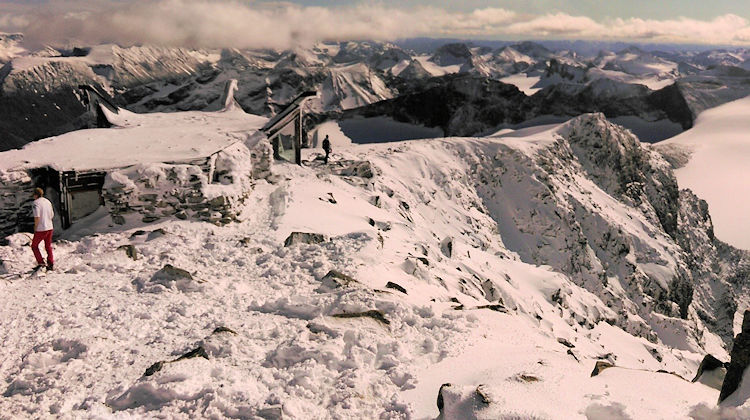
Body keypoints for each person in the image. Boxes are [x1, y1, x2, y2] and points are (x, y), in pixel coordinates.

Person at [30, 187, 54, 271]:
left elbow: (37, 217)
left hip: (41, 228)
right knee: (48, 246)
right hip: (50, 227)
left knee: (34, 246)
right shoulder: (48, 202)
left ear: (36, 195)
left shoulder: (35, 203)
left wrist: (35, 227)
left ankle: (41, 263)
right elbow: (52, 215)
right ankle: (50, 263)